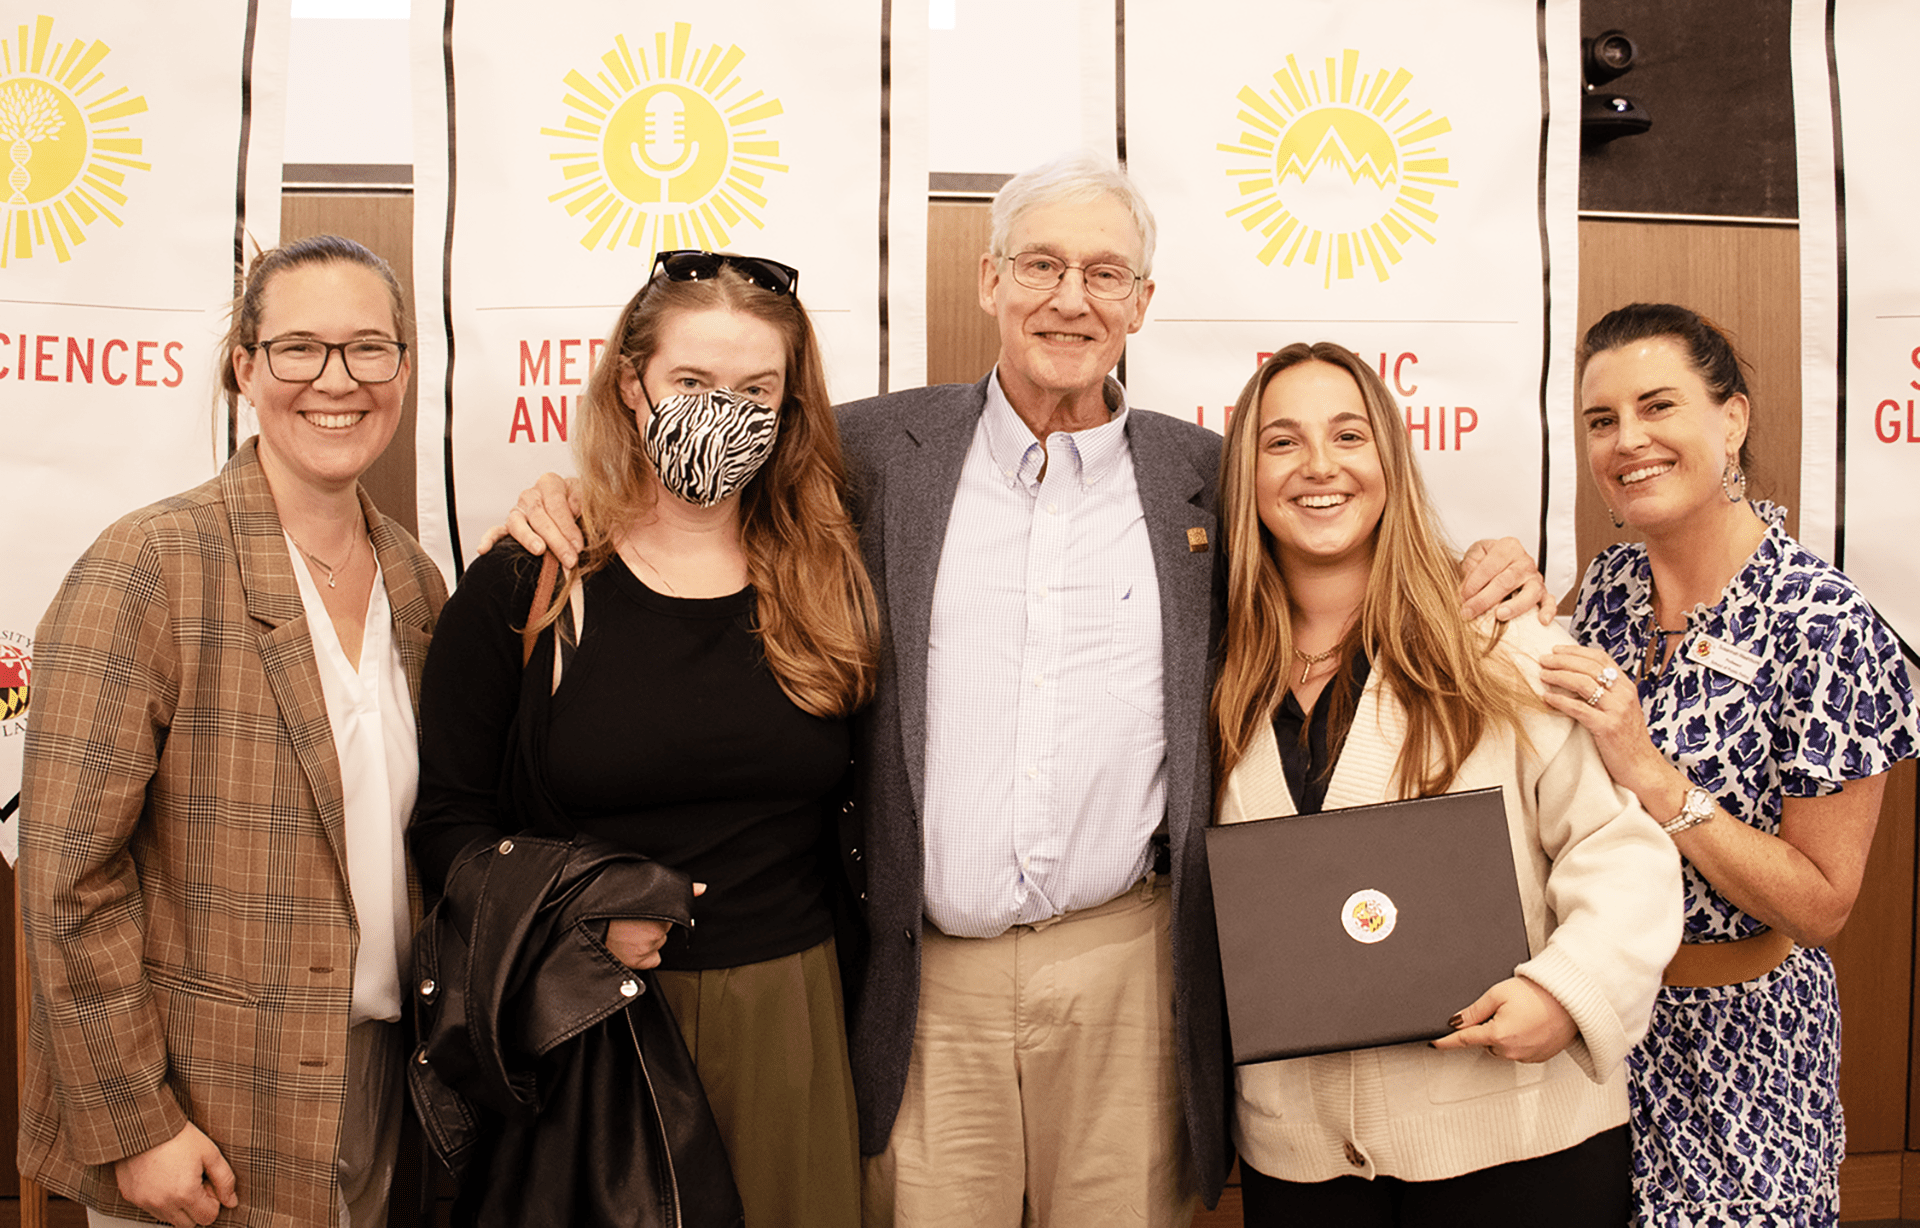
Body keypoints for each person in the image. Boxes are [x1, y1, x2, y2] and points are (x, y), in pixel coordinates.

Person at [502, 155, 1554, 1227]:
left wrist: (1487, 566)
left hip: (1129, 969)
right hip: (921, 977)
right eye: (1041, 264)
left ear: (1143, 302)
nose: (1071, 297)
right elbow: (697, 500)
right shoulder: (867, 454)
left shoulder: (1209, 475)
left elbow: (1342, 533)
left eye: (1106, 273)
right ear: (988, 280)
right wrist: (565, 498)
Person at [409, 250, 878, 1228]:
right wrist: (571, 914)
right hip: (589, 1022)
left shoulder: (827, 577)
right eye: (693, 383)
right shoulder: (529, 585)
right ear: (631, 385)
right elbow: (448, 822)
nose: (725, 413)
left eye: (758, 389)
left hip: (787, 1015)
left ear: (791, 405)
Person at [19, 234, 444, 1228]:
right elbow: (66, 874)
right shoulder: (149, 564)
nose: (336, 380)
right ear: (245, 366)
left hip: (382, 1088)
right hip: (204, 1115)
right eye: (299, 347)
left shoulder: (419, 583)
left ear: (404, 367)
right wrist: (135, 1124)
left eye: (368, 348)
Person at [1211, 341, 1682, 1226]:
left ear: (1391, 458)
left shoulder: (1505, 647)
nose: (1319, 466)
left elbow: (1620, 851)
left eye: (1349, 435)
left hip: (1518, 1151)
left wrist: (1568, 992)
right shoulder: (1213, 675)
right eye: (1281, 442)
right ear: (1244, 475)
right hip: (1301, 1164)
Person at [1537, 303, 1919, 1226]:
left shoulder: (1824, 624)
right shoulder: (1611, 588)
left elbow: (1821, 904)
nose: (1628, 441)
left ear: (1733, 420)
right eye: (1601, 420)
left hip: (1744, 1049)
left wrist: (1652, 771)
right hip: (1592, 1026)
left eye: (1658, 406)